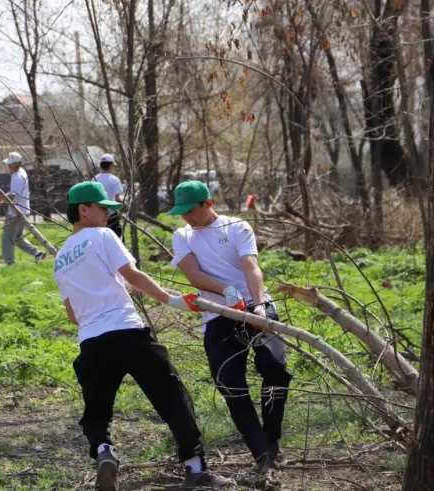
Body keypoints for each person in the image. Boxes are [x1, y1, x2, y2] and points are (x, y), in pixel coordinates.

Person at [54, 181, 231, 491]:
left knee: (96, 410)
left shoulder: (60, 258)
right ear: (83, 210)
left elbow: (72, 314)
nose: (107, 215)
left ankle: (103, 451)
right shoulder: (103, 236)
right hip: (126, 331)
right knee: (172, 396)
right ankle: (195, 469)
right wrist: (172, 300)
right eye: (102, 208)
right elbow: (132, 275)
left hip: (91, 342)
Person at [169, 180, 293, 476]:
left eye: (190, 211)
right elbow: (193, 274)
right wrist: (224, 290)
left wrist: (259, 305)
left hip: (253, 304)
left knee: (275, 367)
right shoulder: (182, 236)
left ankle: (272, 441)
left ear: (208, 204)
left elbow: (251, 266)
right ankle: (261, 453)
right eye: (181, 212)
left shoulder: (237, 227)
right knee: (229, 380)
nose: (186, 217)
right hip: (218, 314)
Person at [0, 151, 46, 265]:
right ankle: (37, 253)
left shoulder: (17, 177)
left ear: (16, 163)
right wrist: (0, 198)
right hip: (23, 210)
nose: (8, 166)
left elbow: (12, 197)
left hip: (16, 212)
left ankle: (9, 263)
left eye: (10, 164)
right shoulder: (21, 172)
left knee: (7, 238)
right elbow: (13, 193)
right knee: (18, 238)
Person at [93, 153, 125, 240]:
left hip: (97, 216)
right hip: (112, 216)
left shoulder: (94, 179)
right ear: (111, 165)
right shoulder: (114, 180)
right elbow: (117, 198)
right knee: (117, 240)